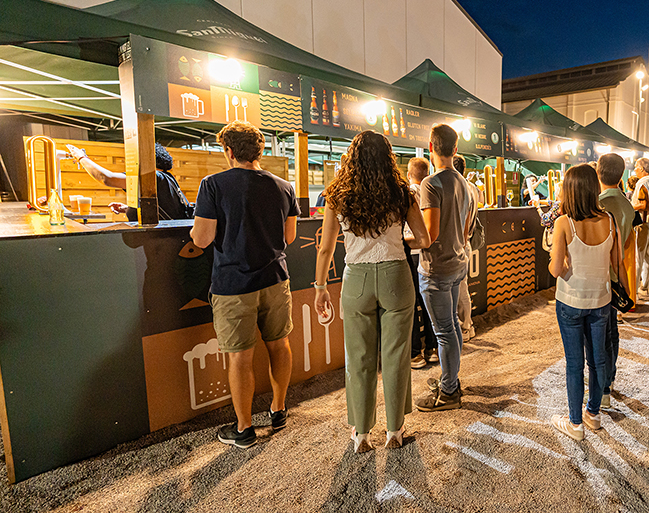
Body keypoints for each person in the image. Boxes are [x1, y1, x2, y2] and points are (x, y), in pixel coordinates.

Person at [313, 131, 431, 453]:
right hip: (396, 275)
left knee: (359, 357)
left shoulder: (338, 195)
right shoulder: (403, 192)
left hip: (356, 279)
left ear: (352, 159)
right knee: (396, 355)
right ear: (388, 158)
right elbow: (423, 240)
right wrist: (393, 240)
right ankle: (395, 431)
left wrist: (320, 287)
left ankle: (361, 434)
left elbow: (325, 249)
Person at [189, 121, 298, 448]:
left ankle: (245, 428)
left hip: (234, 284)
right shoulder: (284, 186)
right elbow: (289, 237)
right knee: (280, 344)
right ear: (260, 150)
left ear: (229, 151)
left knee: (240, 356)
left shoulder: (213, 185)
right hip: (276, 279)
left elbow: (203, 239)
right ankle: (278, 410)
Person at [547, 163, 619, 441]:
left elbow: (554, 270)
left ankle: (575, 423)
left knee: (574, 363)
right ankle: (594, 413)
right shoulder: (609, 220)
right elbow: (615, 262)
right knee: (598, 359)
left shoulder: (563, 222)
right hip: (601, 300)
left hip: (571, 300)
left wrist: (566, 266)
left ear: (569, 190)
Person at [414, 124, 474, 412]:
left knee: (444, 331)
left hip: (436, 268)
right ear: (455, 148)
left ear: (430, 146)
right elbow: (463, 231)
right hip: (458, 262)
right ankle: (451, 380)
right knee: (452, 327)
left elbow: (429, 235)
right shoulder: (463, 182)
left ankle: (449, 391)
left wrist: (403, 239)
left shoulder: (431, 183)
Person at [64, 142, 193, 220]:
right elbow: (162, 209)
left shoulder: (153, 177)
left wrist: (81, 156)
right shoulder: (167, 178)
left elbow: (106, 178)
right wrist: (129, 209)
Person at [596, 153, 634, 410]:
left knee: (599, 337)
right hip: (617, 275)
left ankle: (602, 387)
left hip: (600, 274)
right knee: (612, 333)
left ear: (598, 172)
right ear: (622, 174)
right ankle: (608, 381)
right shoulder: (626, 203)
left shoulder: (600, 203)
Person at [405, 157, 437, 369]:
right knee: (428, 302)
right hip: (428, 252)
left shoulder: (405, 193)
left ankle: (415, 353)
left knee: (410, 305)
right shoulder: (432, 191)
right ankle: (433, 349)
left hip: (407, 252)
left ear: (409, 174)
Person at [453, 154, 479, 341]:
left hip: (460, 243)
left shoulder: (459, 187)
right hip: (466, 242)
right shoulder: (472, 188)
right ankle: (465, 325)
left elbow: (463, 218)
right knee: (462, 287)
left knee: (460, 288)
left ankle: (465, 326)